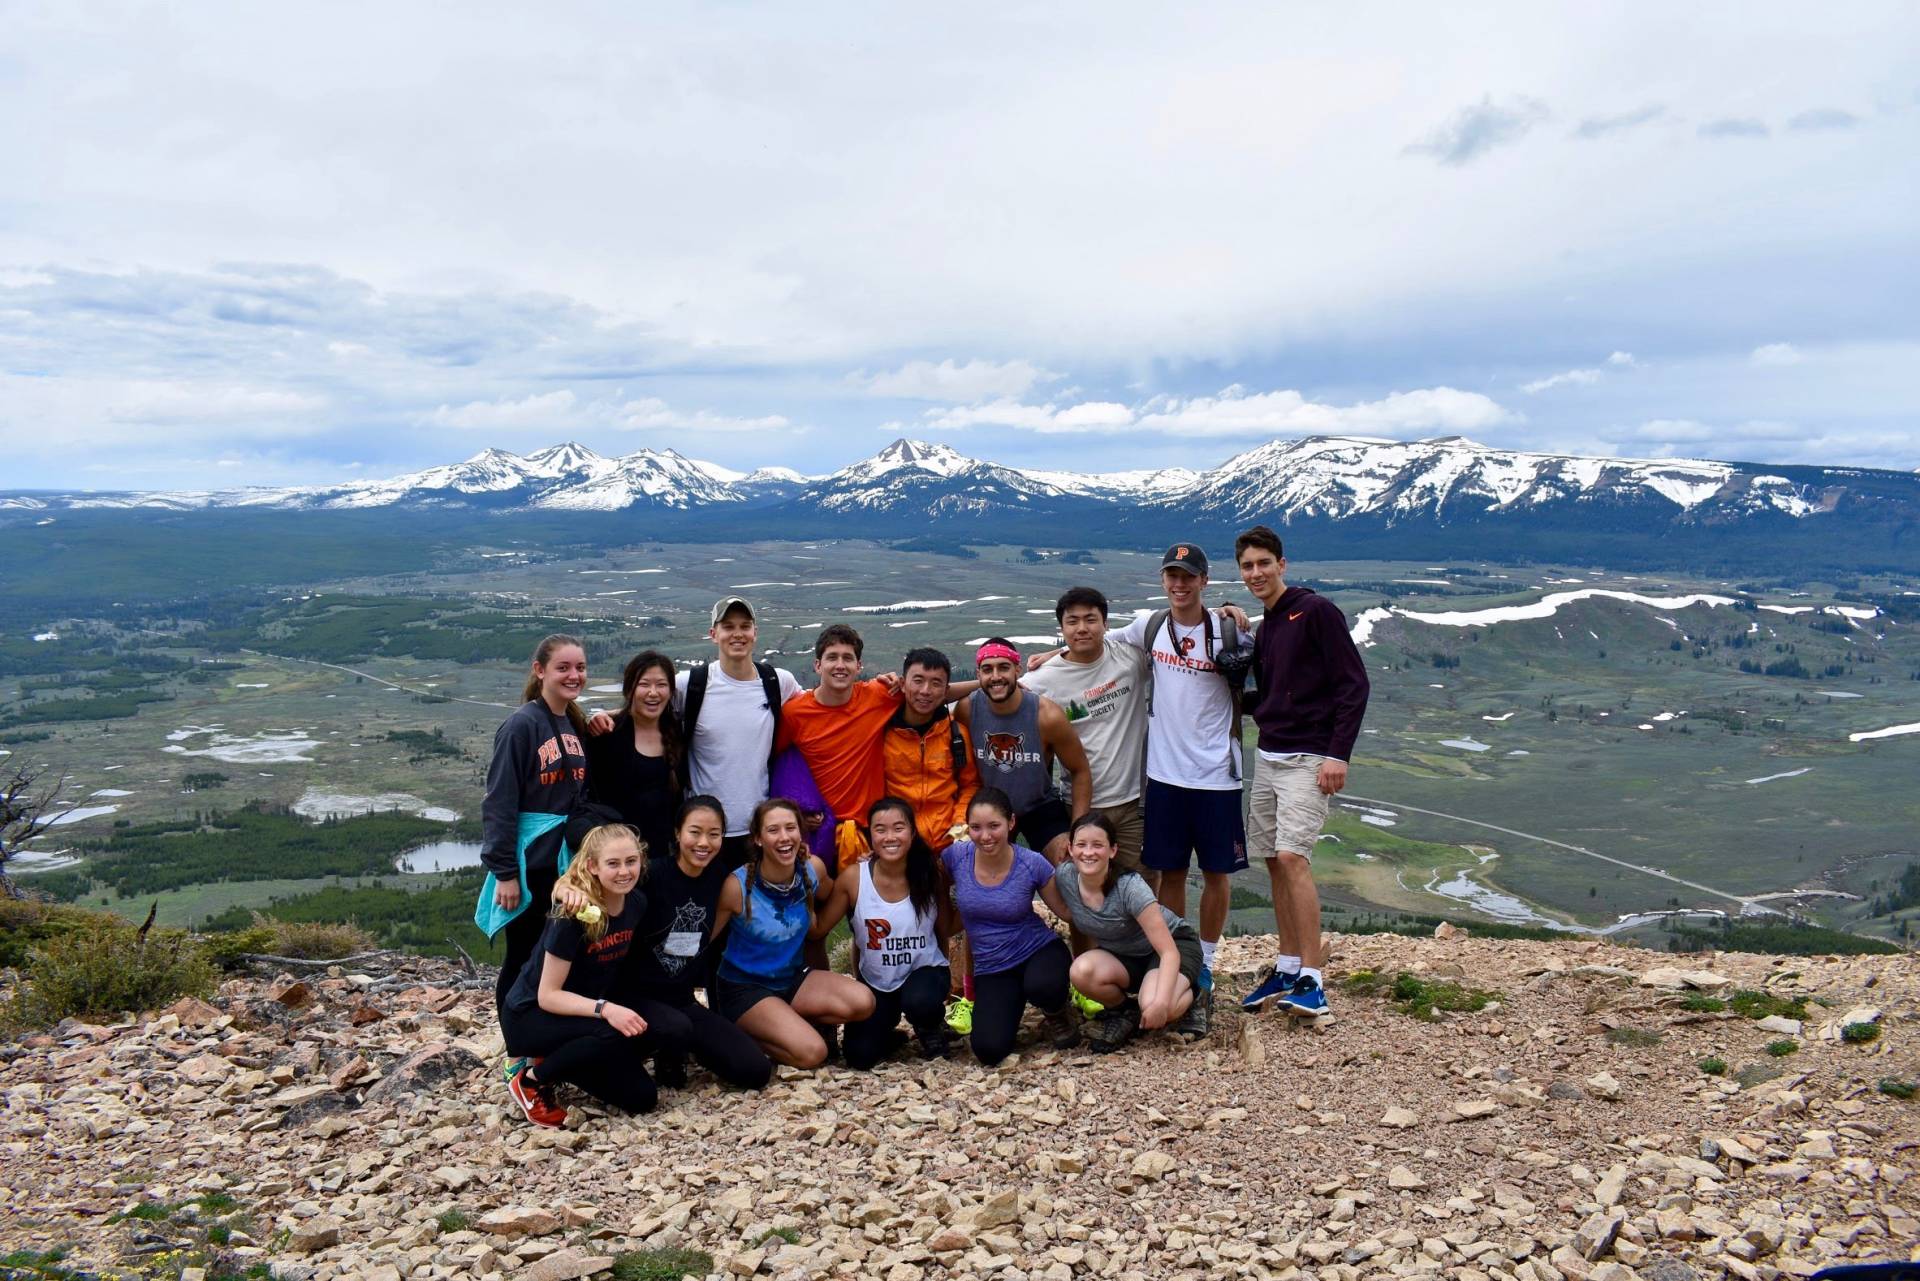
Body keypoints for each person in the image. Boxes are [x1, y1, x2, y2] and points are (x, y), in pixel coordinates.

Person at [1105, 543, 1249, 1039]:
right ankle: (1178, 960)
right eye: (1171, 575)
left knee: (1215, 873)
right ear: (1163, 579)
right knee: (1168, 873)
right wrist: (1049, 654)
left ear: (1205, 581)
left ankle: (1203, 966)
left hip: (1216, 776)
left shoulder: (1227, 629)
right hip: (1164, 776)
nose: (1179, 584)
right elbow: (1095, 641)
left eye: (1188, 576)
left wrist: (1238, 616)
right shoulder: (1150, 626)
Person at [1234, 524, 1370, 1019]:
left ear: (1282, 564)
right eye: (1247, 566)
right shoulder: (1268, 626)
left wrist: (1339, 754)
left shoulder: (1315, 612)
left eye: (1263, 563)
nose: (1256, 573)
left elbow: (1353, 685)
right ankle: (1288, 964)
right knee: (1272, 859)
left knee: (1293, 858)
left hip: (1309, 758)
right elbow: (1271, 696)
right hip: (1269, 756)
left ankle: (1312, 978)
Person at [554, 797, 774, 1090]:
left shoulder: (720, 877)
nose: (704, 842)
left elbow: (766, 873)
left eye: (714, 833)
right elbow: (590, 883)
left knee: (754, 1070)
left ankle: (672, 1045)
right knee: (673, 1030)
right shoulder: (650, 874)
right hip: (633, 997)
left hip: (681, 999)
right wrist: (563, 887)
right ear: (677, 833)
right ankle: (611, 1054)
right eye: (694, 832)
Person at [500, 825, 667, 1125]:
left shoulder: (635, 903)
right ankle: (531, 1080)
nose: (624, 872)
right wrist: (606, 1009)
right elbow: (547, 995)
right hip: (531, 1015)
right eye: (613, 864)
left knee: (642, 1097)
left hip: (578, 1015)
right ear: (592, 866)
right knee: (612, 1030)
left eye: (631, 861)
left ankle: (559, 1060)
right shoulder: (573, 915)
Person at [712, 798, 876, 1067]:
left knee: (863, 1002)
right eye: (773, 830)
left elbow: (836, 893)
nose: (784, 837)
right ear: (758, 839)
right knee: (813, 1053)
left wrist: (869, 868)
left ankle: (783, 1021)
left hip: (793, 979)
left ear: (801, 833)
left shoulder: (813, 869)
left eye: (790, 828)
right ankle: (744, 1034)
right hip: (745, 988)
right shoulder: (737, 886)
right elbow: (705, 940)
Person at [479, 633, 593, 1019]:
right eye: (563, 667)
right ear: (539, 670)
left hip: (563, 861)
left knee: (555, 951)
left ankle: (542, 1031)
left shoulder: (572, 721)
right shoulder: (521, 726)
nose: (573, 675)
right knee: (523, 954)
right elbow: (499, 803)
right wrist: (506, 874)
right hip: (531, 862)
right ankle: (516, 1044)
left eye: (579, 667)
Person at [941, 787, 1079, 1065]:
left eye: (994, 826)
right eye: (976, 828)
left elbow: (1066, 911)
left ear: (1011, 823)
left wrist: (1104, 889)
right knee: (988, 1050)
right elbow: (924, 876)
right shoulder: (956, 858)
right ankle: (1012, 1000)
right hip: (993, 967)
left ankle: (1056, 1012)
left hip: (1036, 951)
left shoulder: (1031, 863)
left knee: (1044, 986)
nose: (985, 836)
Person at [816, 797, 956, 1067]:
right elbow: (820, 927)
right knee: (859, 1056)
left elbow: (945, 928)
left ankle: (930, 1026)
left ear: (913, 833)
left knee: (920, 999)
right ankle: (888, 1034)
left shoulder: (930, 872)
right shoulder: (854, 878)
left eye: (898, 828)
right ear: (870, 835)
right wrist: (800, 883)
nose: (890, 836)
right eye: (880, 829)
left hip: (924, 971)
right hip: (877, 980)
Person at [1019, 587, 1150, 865]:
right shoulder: (1042, 680)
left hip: (1134, 804)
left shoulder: (1130, 659)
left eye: (1090, 620)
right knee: (1084, 892)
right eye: (1072, 621)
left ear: (1106, 624)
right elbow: (996, 701)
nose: (1082, 628)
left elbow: (1180, 633)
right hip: (1079, 805)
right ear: (1062, 627)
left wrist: (1222, 613)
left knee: (1143, 886)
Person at [1054, 813, 1201, 1053]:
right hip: (1125, 955)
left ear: (1112, 850)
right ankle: (1124, 1011)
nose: (1088, 852)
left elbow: (1168, 952)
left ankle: (1197, 992)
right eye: (1081, 845)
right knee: (1081, 972)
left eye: (1097, 845)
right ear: (1070, 849)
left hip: (1173, 945)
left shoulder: (1130, 888)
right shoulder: (1066, 878)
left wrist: (1162, 1004)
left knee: (1155, 1004)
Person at [675, 597, 803, 871]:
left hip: (758, 831)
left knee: (750, 911)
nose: (738, 634)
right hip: (705, 834)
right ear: (713, 634)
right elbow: (643, 710)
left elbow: (821, 711)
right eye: (728, 626)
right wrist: (605, 718)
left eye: (745, 626)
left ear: (755, 633)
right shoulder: (690, 685)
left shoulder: (778, 682)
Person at [955, 638, 1091, 865]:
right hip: (987, 809)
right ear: (978, 674)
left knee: (1069, 866)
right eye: (988, 669)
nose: (996, 676)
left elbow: (1080, 771)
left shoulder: (1046, 715)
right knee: (962, 863)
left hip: (1038, 805)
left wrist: (1079, 832)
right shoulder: (967, 709)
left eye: (1004, 667)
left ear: (1017, 670)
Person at [774, 624, 901, 867]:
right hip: (816, 830)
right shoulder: (794, 713)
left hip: (867, 832)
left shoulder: (879, 695)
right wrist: (796, 808)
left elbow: (928, 694)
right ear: (817, 665)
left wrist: (983, 687)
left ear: (859, 666)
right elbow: (777, 765)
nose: (840, 665)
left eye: (848, 658)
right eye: (832, 657)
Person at [584, 649, 682, 863]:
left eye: (661, 685)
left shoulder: (678, 733)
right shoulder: (606, 734)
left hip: (663, 858)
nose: (653, 693)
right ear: (629, 689)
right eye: (644, 684)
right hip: (614, 860)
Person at [880, 647, 978, 853]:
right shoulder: (882, 732)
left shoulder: (956, 733)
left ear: (945, 691)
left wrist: (960, 825)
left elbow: (970, 785)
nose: (926, 690)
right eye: (918, 680)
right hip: (898, 842)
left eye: (936, 683)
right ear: (902, 684)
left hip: (948, 840)